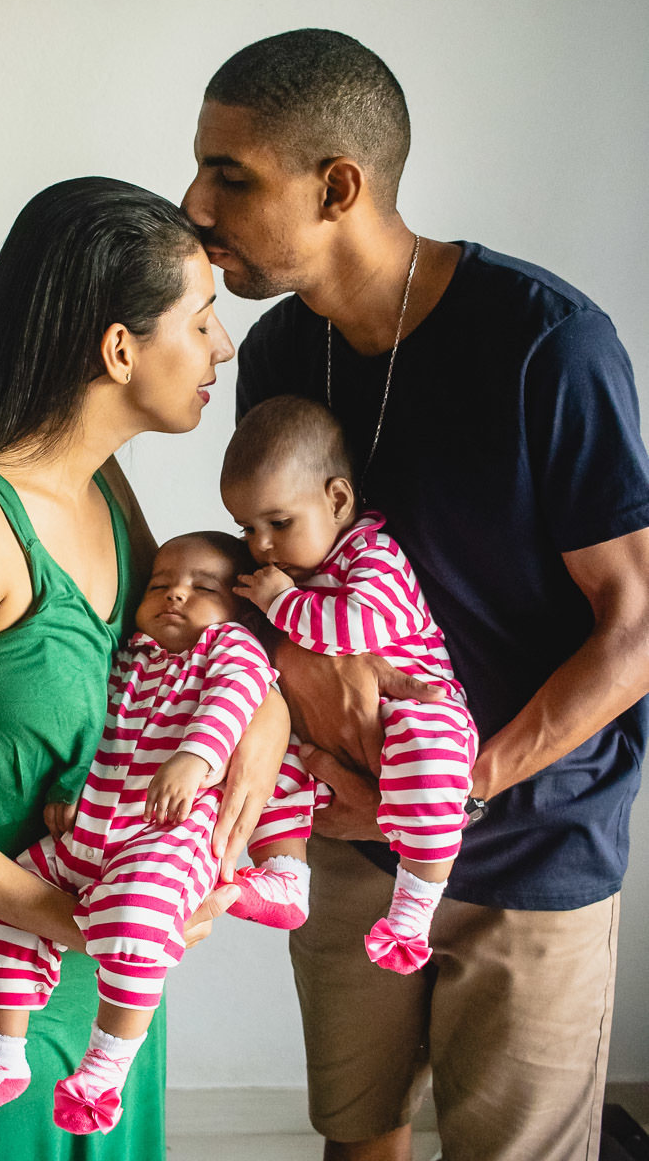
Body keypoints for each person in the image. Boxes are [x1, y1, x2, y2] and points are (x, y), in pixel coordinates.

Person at [182, 29, 649, 1161]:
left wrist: (460, 785)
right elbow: (283, 585)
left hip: (526, 846)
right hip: (340, 841)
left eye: (230, 174)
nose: (193, 202)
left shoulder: (546, 343)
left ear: (337, 185)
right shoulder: (283, 353)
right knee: (359, 1138)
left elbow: (633, 625)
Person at [0, 177, 290, 1161]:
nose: (221, 346)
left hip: (110, 980)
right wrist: (74, 922)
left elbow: (187, 654)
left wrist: (261, 726)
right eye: (202, 316)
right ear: (119, 347)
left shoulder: (103, 487)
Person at [0, 530, 327, 1138]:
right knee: (5, 901)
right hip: (90, 827)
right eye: (160, 584)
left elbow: (238, 695)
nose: (175, 595)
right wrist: (69, 788)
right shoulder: (130, 654)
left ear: (240, 608)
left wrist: (196, 759)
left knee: (134, 922)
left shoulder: (231, 647)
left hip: (166, 836)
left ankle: (104, 1069)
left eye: (202, 588)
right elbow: (88, 717)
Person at [222, 394, 478, 975]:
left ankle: (413, 911)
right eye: (247, 528)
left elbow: (353, 630)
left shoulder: (373, 554)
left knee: (424, 737)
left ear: (337, 499)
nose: (261, 544)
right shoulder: (295, 575)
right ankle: (285, 877)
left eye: (279, 523)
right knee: (274, 760)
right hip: (338, 746)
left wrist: (283, 603)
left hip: (423, 705)